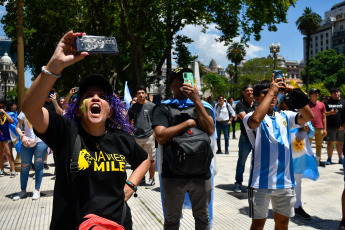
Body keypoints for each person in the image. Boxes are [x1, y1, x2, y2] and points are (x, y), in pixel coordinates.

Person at [22, 31, 150, 230]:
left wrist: (131, 186)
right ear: (79, 110)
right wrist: (54, 65)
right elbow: (30, 108)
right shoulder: (65, 133)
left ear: (110, 111)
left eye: (102, 96)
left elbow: (144, 159)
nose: (96, 98)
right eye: (89, 95)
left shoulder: (121, 139)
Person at [243, 77, 313, 230]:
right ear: (256, 98)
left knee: (282, 224)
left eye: (274, 93)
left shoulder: (285, 116)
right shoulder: (250, 116)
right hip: (260, 183)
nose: (272, 95)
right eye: (265, 93)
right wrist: (272, 91)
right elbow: (255, 121)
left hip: (285, 182)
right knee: (258, 225)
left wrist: (294, 92)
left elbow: (308, 117)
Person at [152, 67, 216, 230]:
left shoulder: (203, 106)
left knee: (202, 218)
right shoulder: (163, 107)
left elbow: (209, 129)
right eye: (178, 79)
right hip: (173, 174)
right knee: (172, 219)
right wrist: (188, 123)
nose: (183, 82)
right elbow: (160, 136)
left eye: (186, 78)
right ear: (171, 85)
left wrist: (197, 101)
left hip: (201, 173)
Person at [13, 111, 49, 200]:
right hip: (26, 143)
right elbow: (17, 127)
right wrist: (22, 136)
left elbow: (49, 127)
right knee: (24, 166)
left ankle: (37, 190)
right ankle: (23, 190)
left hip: (41, 143)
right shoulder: (24, 112)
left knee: (38, 166)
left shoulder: (43, 111)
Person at [128, 86, 156, 187]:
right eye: (139, 93)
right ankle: (141, 179)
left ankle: (152, 178)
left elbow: (156, 120)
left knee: (151, 159)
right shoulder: (133, 107)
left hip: (149, 136)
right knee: (138, 159)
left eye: (143, 93)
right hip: (136, 137)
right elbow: (129, 119)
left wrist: (154, 133)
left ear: (146, 94)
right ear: (136, 95)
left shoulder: (152, 106)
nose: (141, 95)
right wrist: (130, 131)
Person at [234, 84, 258, 193]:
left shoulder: (258, 104)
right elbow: (245, 119)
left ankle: (253, 183)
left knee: (257, 162)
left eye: (251, 90)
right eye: (247, 90)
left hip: (258, 136)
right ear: (243, 93)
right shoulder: (239, 104)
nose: (250, 92)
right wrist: (257, 118)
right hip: (245, 137)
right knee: (242, 161)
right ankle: (238, 182)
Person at [324, 87, 345, 165]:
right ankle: (329, 158)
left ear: (339, 92)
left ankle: (340, 158)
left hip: (341, 126)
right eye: (334, 92)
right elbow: (323, 114)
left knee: (340, 143)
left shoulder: (343, 102)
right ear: (331, 94)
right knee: (330, 143)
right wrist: (330, 113)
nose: (336, 93)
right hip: (330, 126)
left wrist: (343, 126)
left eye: (337, 92)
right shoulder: (327, 102)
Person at [308, 88, 327, 166]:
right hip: (309, 128)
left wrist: (325, 128)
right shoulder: (306, 104)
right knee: (308, 145)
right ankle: (308, 160)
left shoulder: (322, 104)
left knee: (319, 145)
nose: (317, 95)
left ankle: (318, 159)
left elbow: (324, 117)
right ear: (310, 95)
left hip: (320, 127)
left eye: (317, 93)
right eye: (315, 93)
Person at [0, 101, 16, 177]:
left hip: (7, 136)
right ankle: (1, 170)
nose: (1, 108)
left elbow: (12, 121)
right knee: (0, 154)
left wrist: (4, 113)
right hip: (0, 135)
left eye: (3, 107)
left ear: (6, 107)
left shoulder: (9, 114)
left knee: (9, 153)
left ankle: (13, 170)